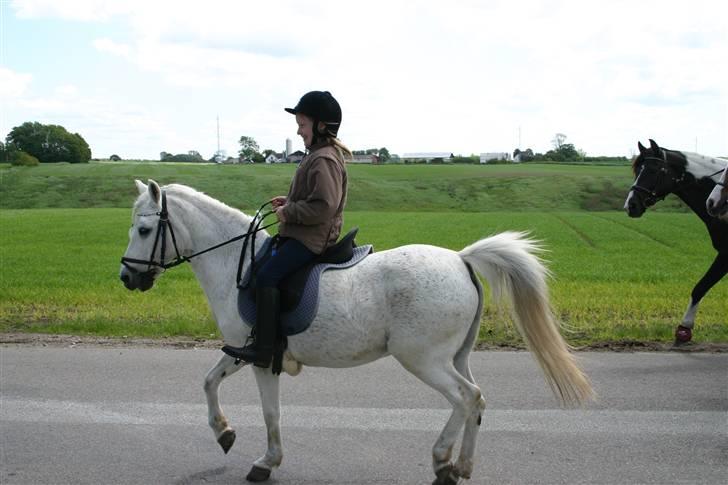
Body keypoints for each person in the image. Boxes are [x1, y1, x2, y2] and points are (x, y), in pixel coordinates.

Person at [223, 90, 351, 368]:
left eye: (303, 124)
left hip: (311, 239)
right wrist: (290, 201)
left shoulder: (323, 159)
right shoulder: (317, 155)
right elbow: (314, 198)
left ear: (320, 126)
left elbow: (324, 207)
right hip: (303, 233)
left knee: (267, 277)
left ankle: (265, 348)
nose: (298, 129)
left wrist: (289, 211)